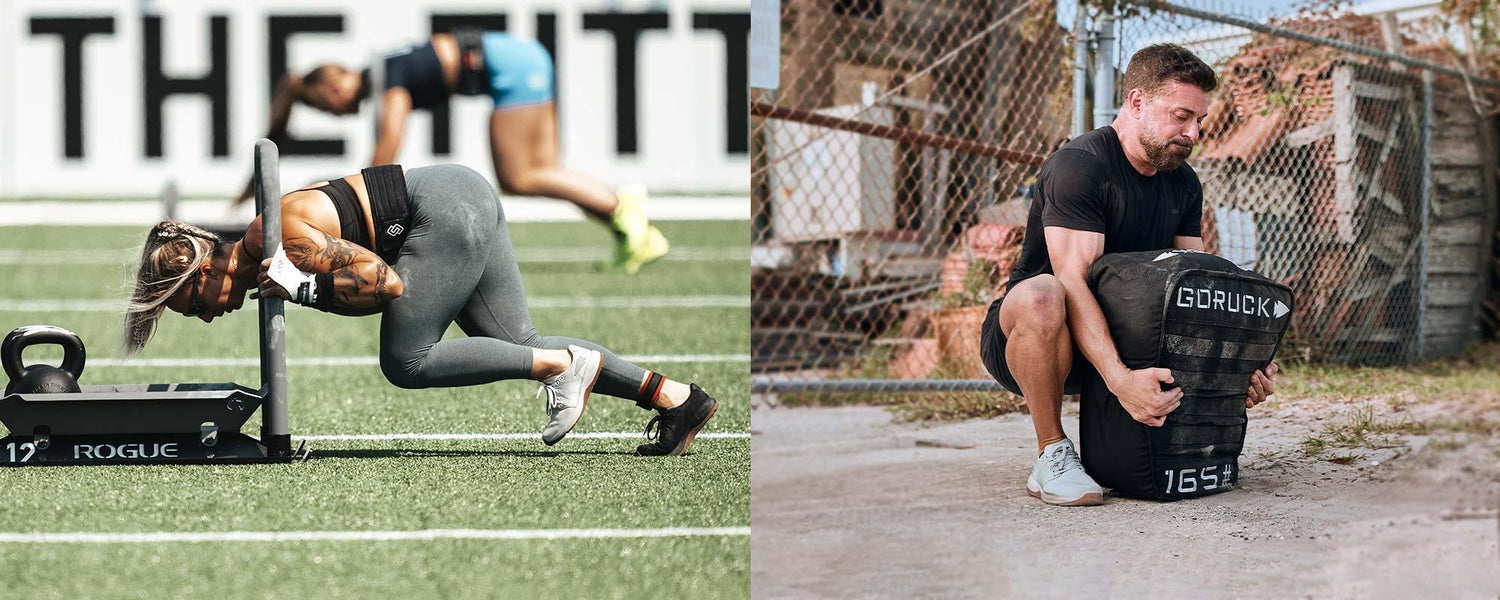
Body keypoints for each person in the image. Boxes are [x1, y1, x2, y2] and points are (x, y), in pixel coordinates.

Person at [130, 163, 715, 456]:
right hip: (459, 194)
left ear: (205, 270)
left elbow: (385, 286)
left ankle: (562, 368)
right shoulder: (267, 257)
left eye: (191, 305)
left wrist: (304, 290)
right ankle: (677, 399)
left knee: (407, 360)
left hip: (441, 210)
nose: (204, 317)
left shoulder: (269, 241)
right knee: (519, 337)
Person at [978, 44, 1279, 506]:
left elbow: (1196, 284)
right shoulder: (1079, 167)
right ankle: (1051, 453)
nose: (1193, 133)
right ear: (1137, 102)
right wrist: (1119, 381)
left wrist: (1237, 369)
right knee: (1045, 293)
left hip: (1126, 338)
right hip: (1038, 338)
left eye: (1199, 121)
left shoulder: (1183, 182)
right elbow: (1074, 283)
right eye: (1181, 116)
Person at [238, 30, 669, 274]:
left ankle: (621, 204)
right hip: (520, 58)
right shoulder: (384, 66)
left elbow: (390, 141)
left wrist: (359, 200)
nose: (331, 114)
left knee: (518, 176)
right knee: (542, 169)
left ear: (333, 86)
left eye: (319, 105)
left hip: (509, 67)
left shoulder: (385, 75)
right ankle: (635, 235)